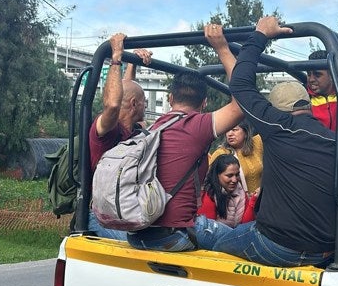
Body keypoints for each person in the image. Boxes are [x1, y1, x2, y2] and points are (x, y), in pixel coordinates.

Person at [215, 16, 338, 275]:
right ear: (307, 105)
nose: (312, 79)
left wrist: (260, 35)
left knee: (215, 240)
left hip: (277, 245)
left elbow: (241, 84)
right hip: (324, 249)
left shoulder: (276, 126)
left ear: (279, 110)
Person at [126, 24, 244, 252]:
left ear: (170, 98)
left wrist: (131, 62)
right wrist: (222, 48)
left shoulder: (154, 128)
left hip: (138, 233)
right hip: (174, 234)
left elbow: (125, 104)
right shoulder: (197, 125)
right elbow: (242, 103)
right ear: (204, 103)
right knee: (243, 236)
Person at [87, 33, 153, 240]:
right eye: (144, 102)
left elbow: (124, 93)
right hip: (101, 215)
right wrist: (116, 57)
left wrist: (133, 63)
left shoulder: (132, 132)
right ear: (135, 104)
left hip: (123, 210)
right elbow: (115, 104)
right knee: (143, 243)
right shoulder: (107, 130)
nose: (146, 106)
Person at [198, 154, 257, 227]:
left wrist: (253, 201)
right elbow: (207, 230)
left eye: (237, 174)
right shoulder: (209, 195)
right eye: (229, 176)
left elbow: (246, 225)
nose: (235, 180)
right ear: (217, 175)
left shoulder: (240, 190)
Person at [209, 120, 263, 194]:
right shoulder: (220, 154)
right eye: (227, 130)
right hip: (237, 203)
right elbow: (210, 181)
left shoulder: (257, 144)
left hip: (261, 200)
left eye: (234, 130)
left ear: (246, 132)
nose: (229, 134)